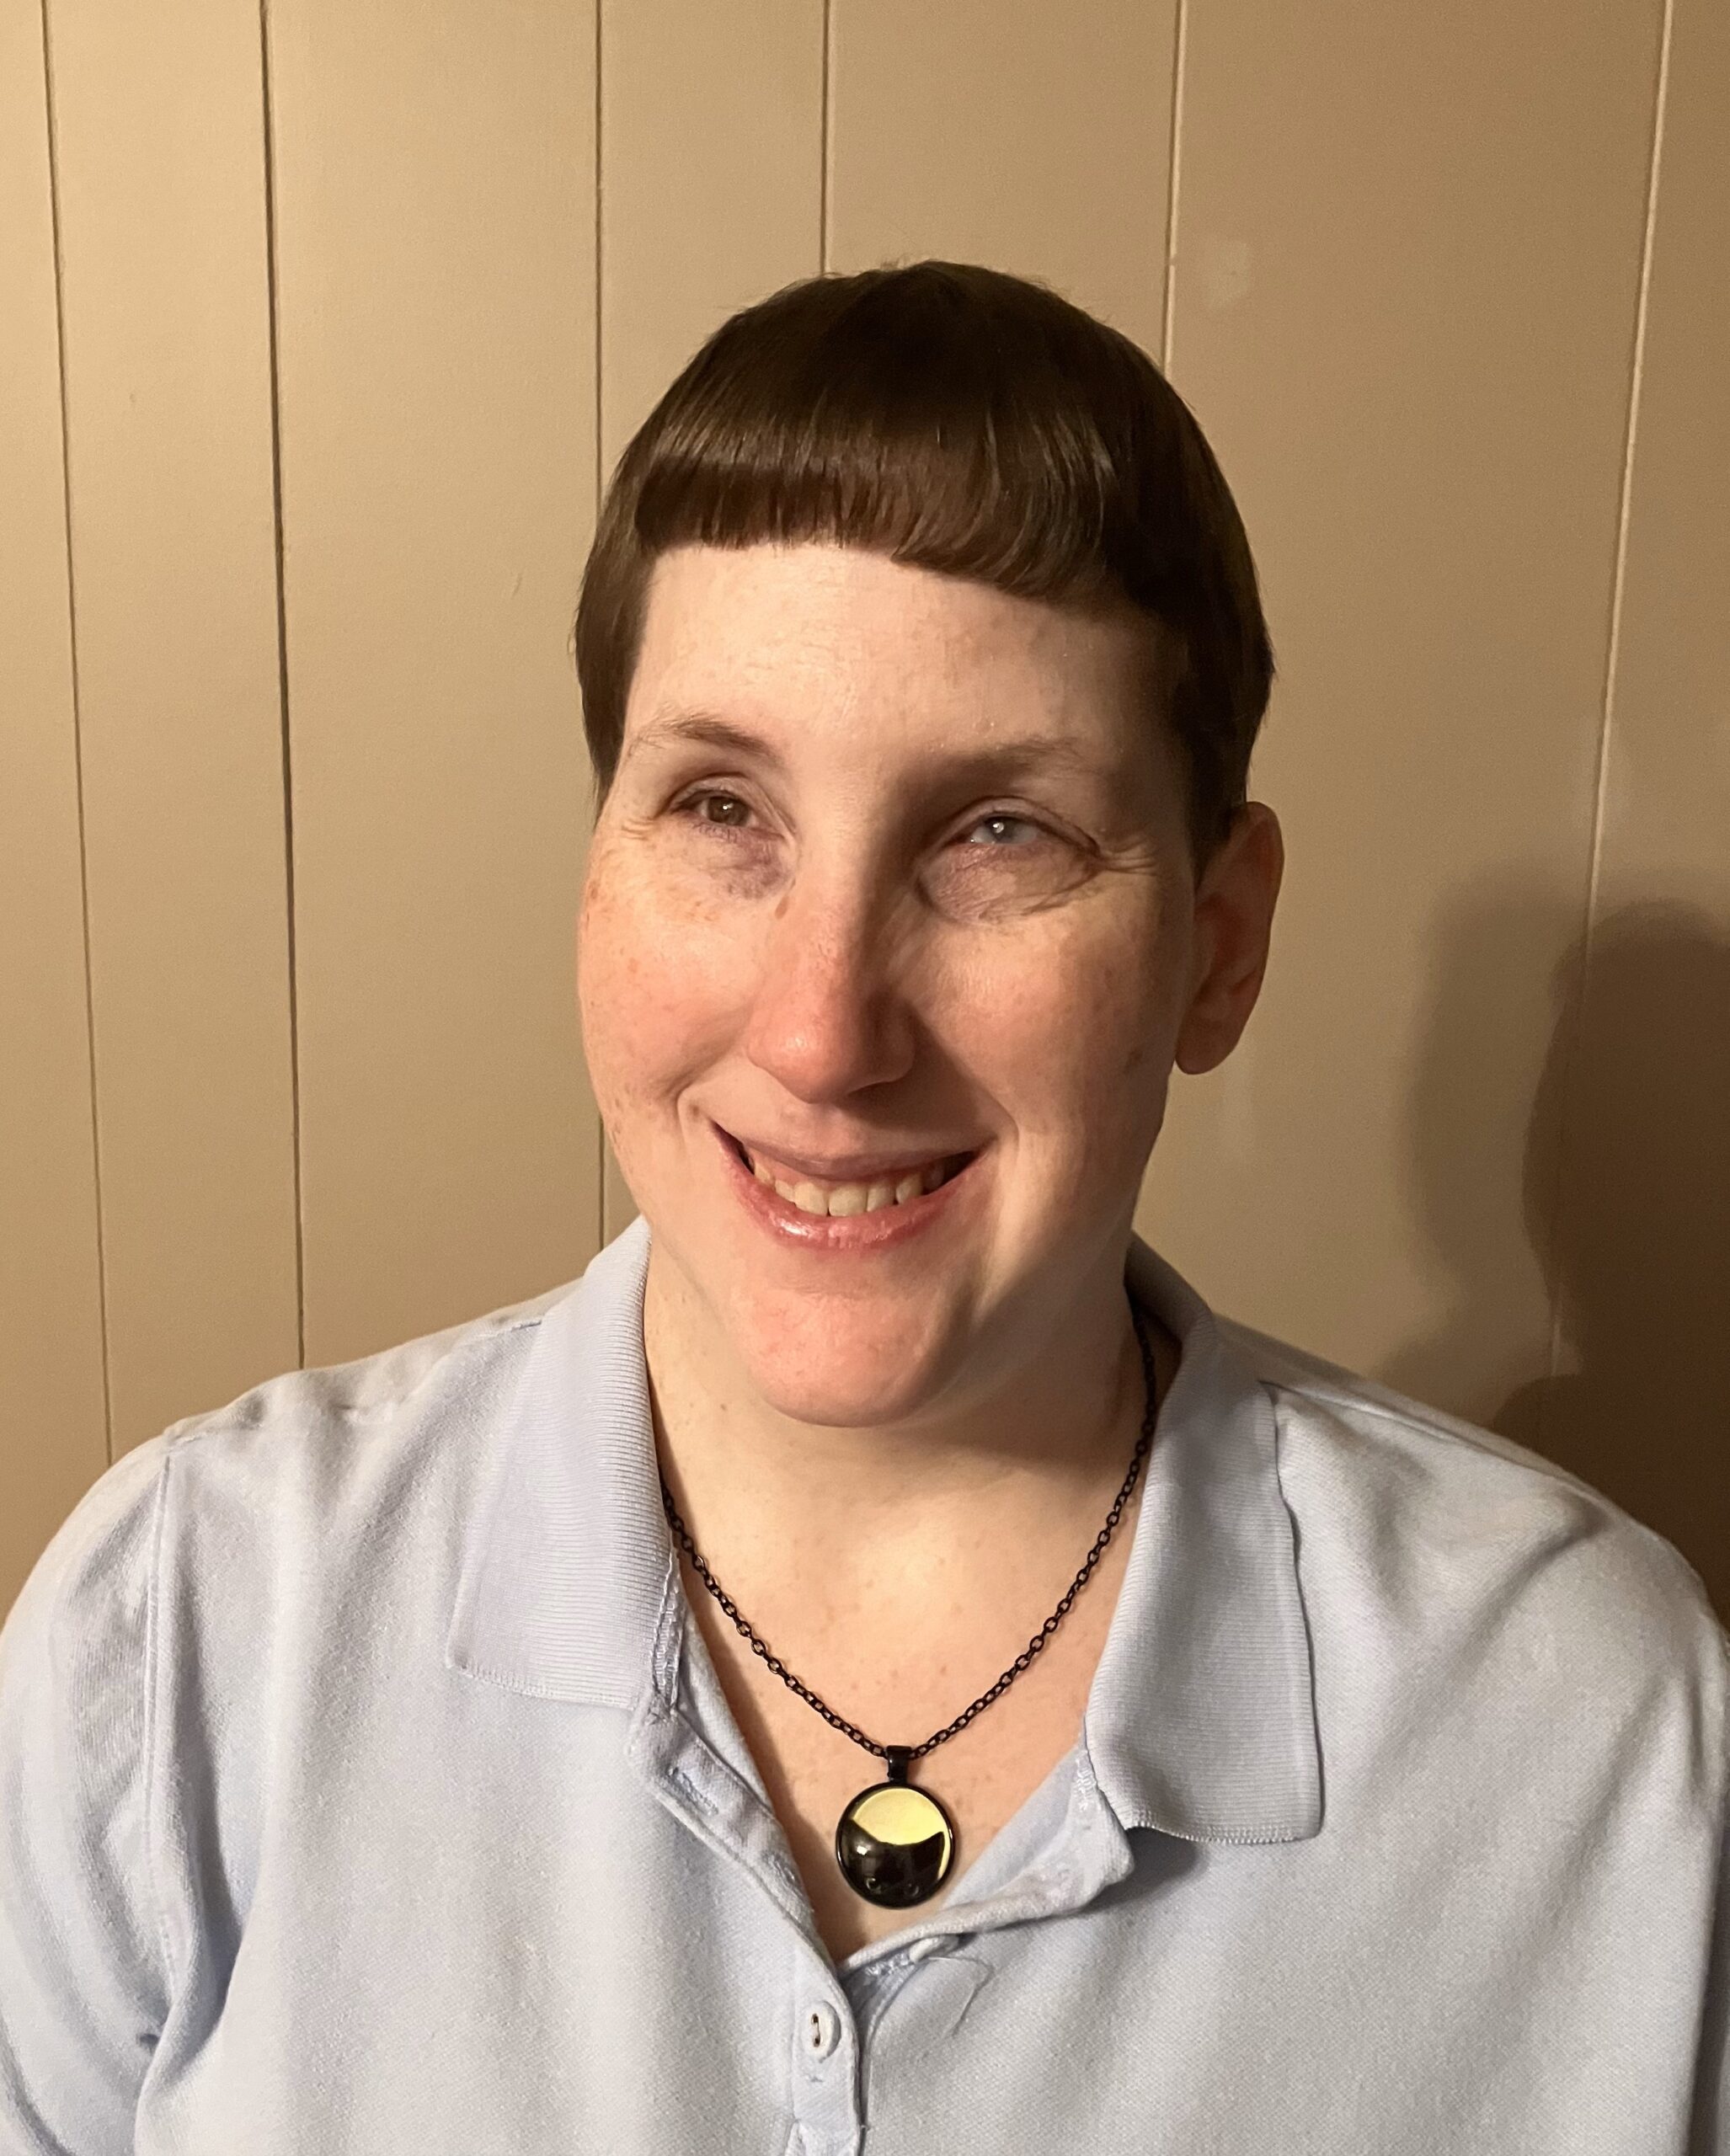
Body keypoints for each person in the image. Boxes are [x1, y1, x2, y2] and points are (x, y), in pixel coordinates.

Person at [1, 260, 1724, 2154]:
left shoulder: (1591, 1733)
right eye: (722, 807)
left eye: (1002, 831)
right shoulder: (186, 1639)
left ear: (1213, 950)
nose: (824, 1029)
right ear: (597, 870)